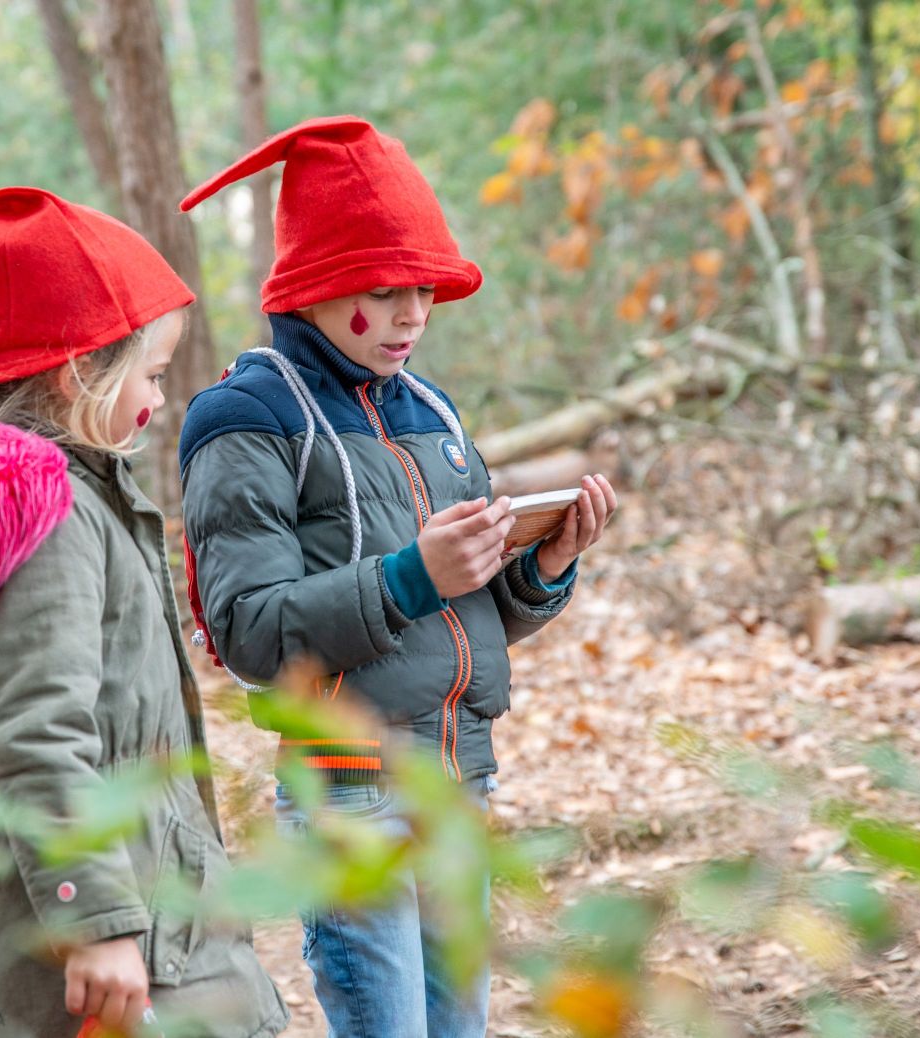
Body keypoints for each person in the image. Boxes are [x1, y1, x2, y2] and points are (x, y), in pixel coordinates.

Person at [0, 187, 287, 1038]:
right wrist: (96, 923)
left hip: (138, 909)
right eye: (149, 373)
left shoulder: (74, 499)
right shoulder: (51, 514)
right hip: (112, 938)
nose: (158, 400)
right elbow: (33, 732)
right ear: (77, 375)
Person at [176, 117, 618, 1036]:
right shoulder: (242, 417)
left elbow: (480, 612)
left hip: (460, 781)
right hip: (348, 795)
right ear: (316, 288)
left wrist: (546, 561)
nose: (414, 313)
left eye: (423, 287)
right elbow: (250, 635)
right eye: (385, 290)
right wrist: (412, 576)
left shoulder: (430, 408)